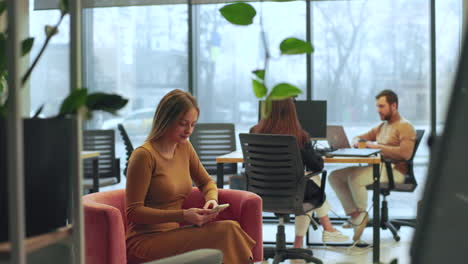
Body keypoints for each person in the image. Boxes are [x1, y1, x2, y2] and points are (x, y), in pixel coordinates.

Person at [125, 89, 255, 264]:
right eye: (183, 123)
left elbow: (206, 181)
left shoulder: (184, 148)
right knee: (227, 232)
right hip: (145, 241)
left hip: (174, 234)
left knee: (230, 228)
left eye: (193, 124)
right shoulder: (144, 156)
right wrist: (183, 215)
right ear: (166, 120)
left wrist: (212, 201)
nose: (189, 131)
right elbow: (133, 212)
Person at [250, 98, 349, 249]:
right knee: (309, 182)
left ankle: (321, 231)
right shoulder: (299, 136)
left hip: (260, 193)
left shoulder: (254, 132)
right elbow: (316, 166)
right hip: (291, 194)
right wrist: (316, 155)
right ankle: (323, 230)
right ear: (292, 112)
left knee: (304, 183)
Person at [328, 89, 416, 241]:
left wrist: (375, 147)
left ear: (393, 106)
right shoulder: (383, 126)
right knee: (335, 176)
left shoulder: (405, 126)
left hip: (396, 171)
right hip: (380, 167)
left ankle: (362, 217)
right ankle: (355, 216)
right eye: (377, 106)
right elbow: (360, 137)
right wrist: (357, 141)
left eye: (381, 106)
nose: (378, 110)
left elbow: (405, 153)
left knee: (355, 178)